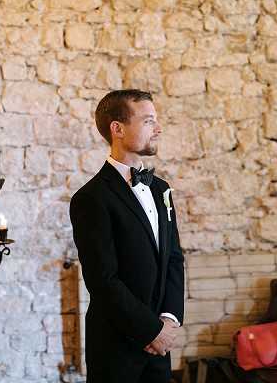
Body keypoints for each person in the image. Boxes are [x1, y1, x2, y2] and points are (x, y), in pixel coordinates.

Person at [69, 89, 185, 383]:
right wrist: (150, 332)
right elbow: (102, 280)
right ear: (117, 129)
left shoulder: (161, 189)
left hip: (160, 344)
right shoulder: (91, 198)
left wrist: (169, 321)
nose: (158, 128)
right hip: (116, 349)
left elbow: (173, 258)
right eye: (148, 121)